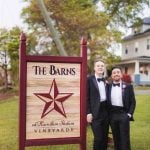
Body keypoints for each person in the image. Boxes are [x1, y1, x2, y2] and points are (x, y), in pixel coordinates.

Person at [108, 66, 136, 150]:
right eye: (114, 73)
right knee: (116, 137)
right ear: (112, 76)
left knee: (125, 137)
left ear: (121, 74)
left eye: (118, 72)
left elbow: (133, 102)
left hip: (124, 113)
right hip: (112, 114)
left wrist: (129, 114)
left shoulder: (128, 86)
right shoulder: (108, 86)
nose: (116, 74)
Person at [87, 59, 109, 150]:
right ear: (94, 68)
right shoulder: (89, 79)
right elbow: (86, 97)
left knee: (104, 138)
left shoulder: (105, 81)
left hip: (106, 111)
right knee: (98, 138)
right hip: (95, 111)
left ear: (104, 68)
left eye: (102, 66)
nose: (100, 67)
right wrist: (88, 113)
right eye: (98, 66)